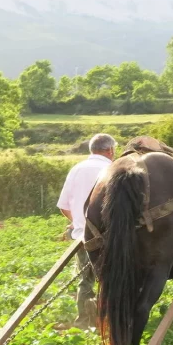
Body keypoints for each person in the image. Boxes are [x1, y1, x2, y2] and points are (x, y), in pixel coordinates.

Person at [57, 133, 117, 327]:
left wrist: (78, 222)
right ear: (110, 151)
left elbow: (63, 205)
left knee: (85, 279)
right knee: (112, 277)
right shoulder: (112, 169)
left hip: (83, 237)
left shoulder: (77, 169)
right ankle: (111, 318)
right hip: (111, 237)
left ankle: (84, 320)